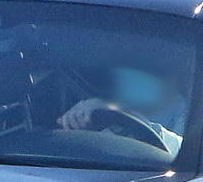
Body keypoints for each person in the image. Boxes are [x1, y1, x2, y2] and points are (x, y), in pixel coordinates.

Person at [57, 62, 190, 154]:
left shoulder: (186, 111)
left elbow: (186, 154)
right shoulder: (84, 100)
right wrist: (76, 124)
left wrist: (131, 122)